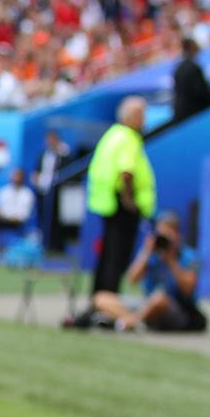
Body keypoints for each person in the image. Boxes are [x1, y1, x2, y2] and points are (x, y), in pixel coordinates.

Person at [86, 97, 154, 308]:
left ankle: (99, 300)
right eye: (141, 115)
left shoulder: (112, 135)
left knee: (108, 255)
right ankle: (109, 305)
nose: (144, 120)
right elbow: (127, 172)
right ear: (131, 116)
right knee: (117, 258)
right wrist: (129, 200)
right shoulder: (129, 138)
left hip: (107, 204)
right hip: (121, 207)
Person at [92, 211, 206, 332]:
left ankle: (128, 321)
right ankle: (132, 321)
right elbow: (132, 279)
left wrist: (171, 260)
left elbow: (188, 290)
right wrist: (147, 252)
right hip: (146, 304)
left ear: (177, 235)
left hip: (176, 307)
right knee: (101, 298)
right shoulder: (151, 253)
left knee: (159, 299)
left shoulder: (189, 256)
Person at [0, 168, 36, 242]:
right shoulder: (5, 190)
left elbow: (24, 215)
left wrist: (12, 217)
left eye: (18, 176)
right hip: (3, 219)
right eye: (14, 175)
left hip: (17, 222)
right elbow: (0, 208)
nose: (16, 178)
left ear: (23, 178)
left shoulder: (27, 194)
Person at [171, 36, 210, 120]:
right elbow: (201, 92)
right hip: (194, 113)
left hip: (180, 112)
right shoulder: (194, 68)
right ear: (192, 48)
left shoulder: (177, 68)